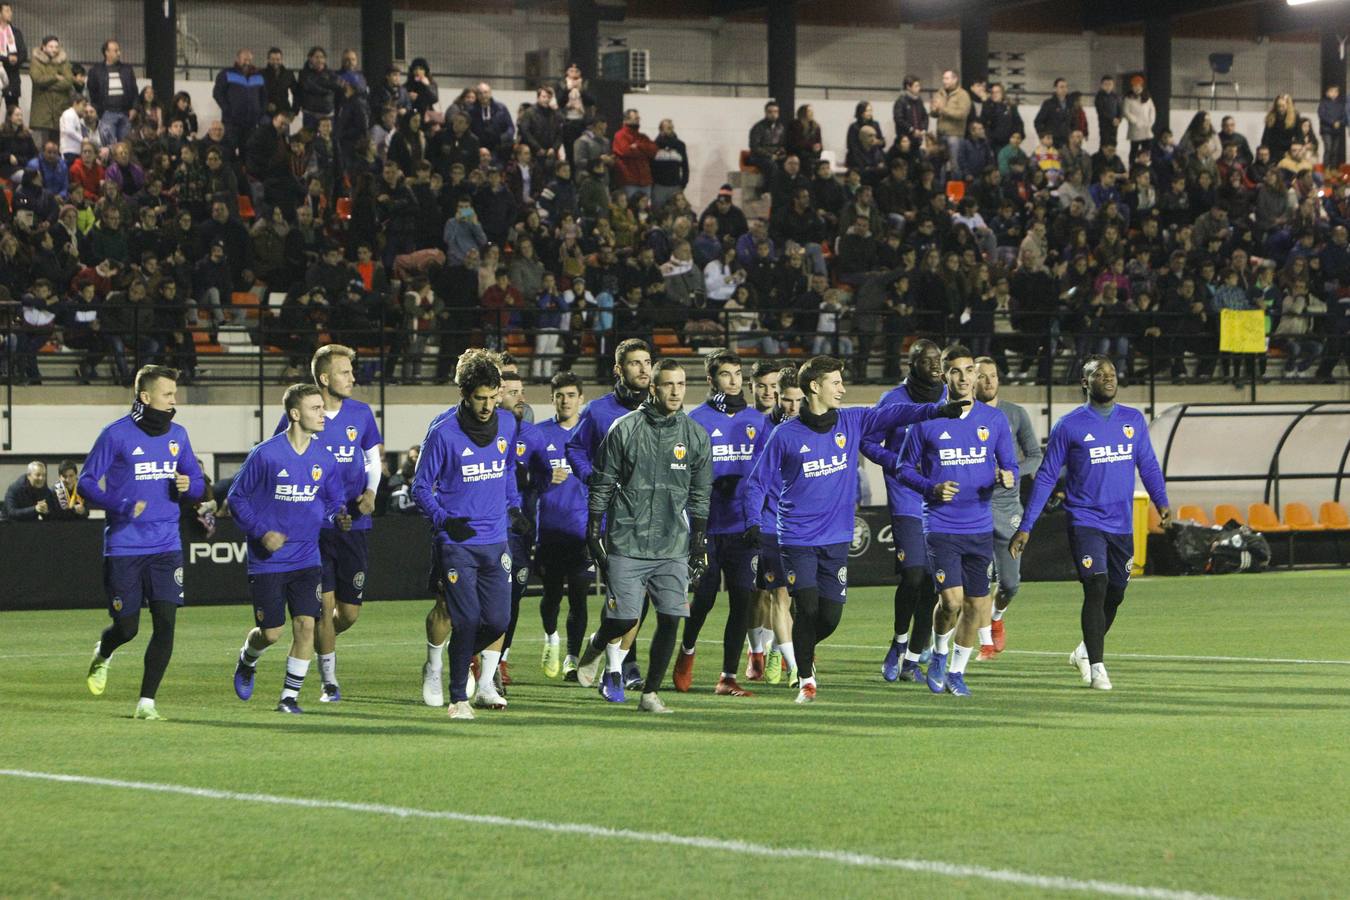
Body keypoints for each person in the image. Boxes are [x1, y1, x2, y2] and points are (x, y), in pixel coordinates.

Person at [740, 356, 967, 704]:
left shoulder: (853, 420)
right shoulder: (785, 435)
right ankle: (805, 679)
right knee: (808, 606)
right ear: (815, 387)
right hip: (797, 537)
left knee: (829, 617)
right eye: (835, 382)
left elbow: (894, 415)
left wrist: (936, 411)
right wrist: (754, 522)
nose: (843, 389)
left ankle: (797, 647)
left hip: (837, 538)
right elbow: (756, 483)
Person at [1010, 356, 1171, 691]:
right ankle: (1097, 667)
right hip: (1085, 519)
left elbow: (1149, 465)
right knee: (1096, 584)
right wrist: (1027, 525)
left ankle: (1084, 652)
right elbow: (1046, 479)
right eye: (1099, 374)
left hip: (1122, 524)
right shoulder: (1069, 426)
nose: (1108, 378)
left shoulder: (1132, 420)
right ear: (1085, 383)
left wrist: (1162, 502)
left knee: (1116, 592)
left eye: (1112, 374)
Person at [576, 358, 711, 714]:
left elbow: (700, 493)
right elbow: (603, 481)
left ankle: (650, 693)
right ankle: (595, 646)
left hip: (672, 544)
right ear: (653, 388)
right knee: (623, 619)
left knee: (671, 617)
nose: (675, 391)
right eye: (668, 384)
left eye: (681, 385)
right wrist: (593, 530)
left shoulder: (695, 435)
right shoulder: (625, 428)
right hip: (627, 539)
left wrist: (698, 540)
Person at [80, 366, 204, 720]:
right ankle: (104, 652)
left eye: (174, 394)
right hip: (124, 546)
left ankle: (146, 703)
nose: (174, 400)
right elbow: (87, 483)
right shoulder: (115, 434)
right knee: (128, 628)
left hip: (166, 544)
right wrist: (119, 506)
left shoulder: (178, 434)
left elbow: (196, 483)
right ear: (146, 397)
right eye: (168, 394)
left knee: (165, 623)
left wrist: (188, 487)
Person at [895, 346, 1016, 697]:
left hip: (979, 526)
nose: (963, 378)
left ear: (976, 375)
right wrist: (930, 487)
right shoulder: (926, 420)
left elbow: (1008, 465)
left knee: (978, 605)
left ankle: (957, 672)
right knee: (951, 602)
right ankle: (939, 653)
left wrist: (1005, 476)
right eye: (956, 371)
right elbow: (903, 468)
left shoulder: (994, 421)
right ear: (945, 376)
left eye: (969, 370)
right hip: (941, 524)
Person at [412, 352, 525, 719]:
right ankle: (458, 697)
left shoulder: (507, 424)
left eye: (494, 397)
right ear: (464, 393)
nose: (488, 406)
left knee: (498, 621)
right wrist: (445, 521)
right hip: (457, 542)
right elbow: (420, 487)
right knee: (466, 619)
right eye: (481, 398)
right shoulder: (443, 433)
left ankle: (454, 659)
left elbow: (507, 468)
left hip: (496, 541)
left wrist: (515, 506)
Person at [269, 345, 382, 702]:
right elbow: (277, 456)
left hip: (354, 525)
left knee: (347, 613)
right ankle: (328, 681)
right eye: (345, 372)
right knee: (323, 608)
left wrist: (371, 491)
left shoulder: (361, 414)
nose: (352, 378)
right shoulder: (302, 414)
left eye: (351, 371)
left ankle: (313, 639)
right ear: (324, 378)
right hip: (313, 529)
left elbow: (372, 458)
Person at [230, 383, 350, 714]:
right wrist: (261, 533)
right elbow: (236, 499)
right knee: (271, 633)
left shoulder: (324, 458)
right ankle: (247, 658)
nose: (323, 414)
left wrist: (337, 515)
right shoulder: (266, 454)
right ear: (295, 414)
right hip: (268, 561)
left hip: (307, 557)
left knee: (306, 625)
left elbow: (334, 499)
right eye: (315, 408)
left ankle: (288, 698)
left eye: (322, 408)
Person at [674, 350, 766, 697]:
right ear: (711, 380)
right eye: (726, 375)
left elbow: (766, 472)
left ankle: (727, 677)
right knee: (705, 598)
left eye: (738, 374)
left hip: (744, 527)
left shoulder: (757, 421)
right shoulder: (695, 420)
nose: (734, 381)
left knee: (743, 601)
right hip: (707, 527)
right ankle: (687, 652)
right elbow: (682, 474)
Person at [564, 338, 654, 690]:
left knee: (640, 594)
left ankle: (604, 647)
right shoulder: (599, 411)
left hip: (653, 517)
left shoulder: (661, 409)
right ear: (619, 369)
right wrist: (594, 480)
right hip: (613, 518)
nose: (644, 369)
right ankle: (624, 666)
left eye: (648, 362)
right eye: (635, 363)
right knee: (624, 592)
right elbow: (574, 448)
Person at [861, 340, 945, 684]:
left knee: (932, 583)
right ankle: (897, 644)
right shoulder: (893, 400)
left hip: (942, 500)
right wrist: (896, 464)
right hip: (908, 497)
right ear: (912, 364)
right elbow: (867, 441)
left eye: (938, 359)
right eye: (928, 361)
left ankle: (913, 658)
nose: (936, 365)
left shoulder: (948, 398)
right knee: (913, 575)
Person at [972, 357, 1041, 659]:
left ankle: (997, 619)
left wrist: (1015, 471)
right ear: (971, 381)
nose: (988, 382)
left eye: (993, 376)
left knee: (1011, 584)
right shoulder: (963, 415)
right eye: (982, 377)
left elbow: (1036, 456)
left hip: (1007, 506)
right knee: (978, 578)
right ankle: (984, 641)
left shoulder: (1014, 414)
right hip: (973, 506)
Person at [527, 371, 593, 680]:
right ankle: (551, 638)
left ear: (582, 399)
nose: (565, 401)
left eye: (571, 395)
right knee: (551, 594)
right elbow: (521, 480)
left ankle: (572, 657)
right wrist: (540, 479)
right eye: (559, 395)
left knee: (580, 596)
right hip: (550, 531)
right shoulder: (538, 435)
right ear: (552, 399)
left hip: (581, 532)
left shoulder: (592, 435)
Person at [744, 366, 804, 685]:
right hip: (771, 524)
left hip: (807, 527)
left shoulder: (817, 428)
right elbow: (757, 481)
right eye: (787, 399)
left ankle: (782, 649)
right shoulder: (766, 431)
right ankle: (773, 655)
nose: (792, 406)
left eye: (798, 399)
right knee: (770, 594)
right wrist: (754, 519)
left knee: (803, 600)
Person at [742, 359, 780, 679]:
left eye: (775, 386)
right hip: (753, 517)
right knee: (758, 591)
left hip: (786, 519)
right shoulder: (745, 421)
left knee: (780, 592)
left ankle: (775, 651)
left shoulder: (793, 421)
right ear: (751, 387)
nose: (769, 392)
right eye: (762, 386)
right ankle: (755, 652)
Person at [212, 48, 266, 159]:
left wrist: (260, 112)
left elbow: (264, 96)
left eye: (249, 60)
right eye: (244, 59)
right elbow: (217, 93)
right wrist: (227, 110)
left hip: (251, 124)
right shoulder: (226, 74)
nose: (247, 62)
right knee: (228, 151)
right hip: (231, 123)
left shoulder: (259, 76)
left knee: (248, 153)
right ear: (237, 59)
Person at [87, 39, 137, 144]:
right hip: (107, 113)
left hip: (125, 113)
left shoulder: (127, 69)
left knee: (126, 144)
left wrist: (134, 108)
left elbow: (134, 90)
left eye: (119, 50)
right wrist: (99, 111)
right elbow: (92, 91)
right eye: (116, 50)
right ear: (107, 52)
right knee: (109, 145)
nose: (119, 53)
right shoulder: (95, 71)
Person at [0, 2, 27, 116]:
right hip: (1, 71)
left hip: (13, 75)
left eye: (10, 11)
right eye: (7, 11)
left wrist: (16, 60)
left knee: (13, 110)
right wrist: (7, 59)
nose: (10, 13)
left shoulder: (16, 32)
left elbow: (23, 53)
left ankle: (11, 132)